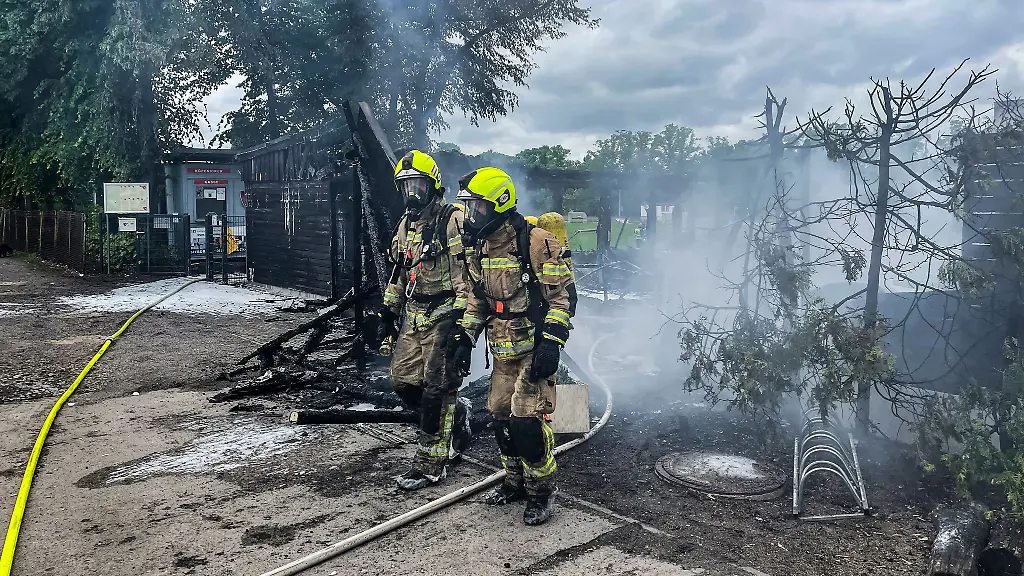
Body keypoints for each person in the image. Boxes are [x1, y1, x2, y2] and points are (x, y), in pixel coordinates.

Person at [447, 167, 573, 526]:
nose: (473, 216)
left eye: (479, 207)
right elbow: (477, 300)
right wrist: (465, 339)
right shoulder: (480, 246)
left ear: (499, 203)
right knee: (501, 417)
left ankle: (541, 494)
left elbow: (561, 299)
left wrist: (552, 343)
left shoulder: (536, 242)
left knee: (526, 424)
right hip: (502, 347)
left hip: (534, 346)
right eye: (470, 208)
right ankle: (514, 482)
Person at [374, 149, 473, 491]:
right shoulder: (405, 225)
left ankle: (431, 464)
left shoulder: (452, 220)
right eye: (405, 185)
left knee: (436, 388)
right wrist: (388, 313)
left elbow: (466, 277)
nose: (411, 192)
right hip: (414, 316)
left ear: (433, 185)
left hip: (446, 313)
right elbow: (399, 273)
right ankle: (458, 415)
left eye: (417, 184)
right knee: (402, 380)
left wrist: (463, 327)